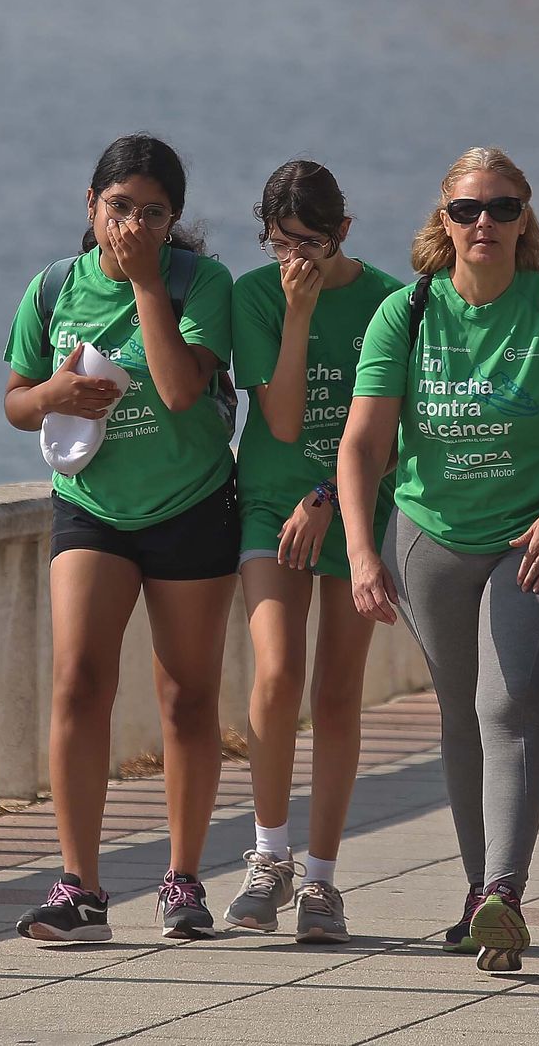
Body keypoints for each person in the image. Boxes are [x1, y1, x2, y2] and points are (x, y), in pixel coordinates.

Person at [339, 147, 539, 972]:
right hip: (429, 535)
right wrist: (360, 550)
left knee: (507, 705)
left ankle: (504, 891)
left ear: (525, 218)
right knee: (459, 712)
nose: (483, 223)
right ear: (444, 221)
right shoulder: (408, 312)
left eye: (501, 208)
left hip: (538, 540)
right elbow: (362, 445)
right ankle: (477, 902)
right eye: (467, 210)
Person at [3, 133, 239, 942]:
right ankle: (80, 888)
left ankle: (181, 879)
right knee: (77, 680)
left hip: (192, 504)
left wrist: (144, 284)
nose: (131, 223)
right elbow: (14, 400)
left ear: (174, 219)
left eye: (152, 212)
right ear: (90, 206)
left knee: (186, 695)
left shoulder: (199, 281)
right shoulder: (52, 288)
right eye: (118, 207)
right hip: (92, 506)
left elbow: (179, 391)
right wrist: (53, 393)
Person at [223, 161, 404, 943]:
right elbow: (287, 422)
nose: (296, 260)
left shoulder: (391, 302)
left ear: (344, 233)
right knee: (276, 671)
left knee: (337, 691)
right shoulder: (255, 296)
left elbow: (398, 433)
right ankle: (268, 858)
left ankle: (323, 883)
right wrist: (296, 316)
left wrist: (331, 500)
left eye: (312, 244)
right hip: (270, 498)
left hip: (358, 505)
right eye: (280, 243)